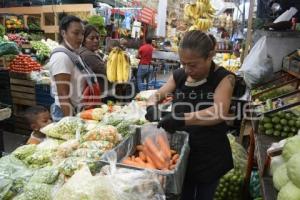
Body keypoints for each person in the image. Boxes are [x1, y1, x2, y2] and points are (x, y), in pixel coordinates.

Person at [145, 30, 235, 200]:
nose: (187, 69)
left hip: (209, 156)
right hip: (181, 154)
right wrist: (151, 106)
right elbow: (157, 94)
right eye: (183, 63)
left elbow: (219, 112)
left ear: (210, 56)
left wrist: (181, 118)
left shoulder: (224, 79)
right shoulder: (179, 75)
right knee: (181, 194)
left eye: (193, 65)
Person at [79, 24, 106, 94]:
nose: (96, 41)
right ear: (83, 40)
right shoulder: (89, 55)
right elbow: (108, 73)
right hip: (97, 95)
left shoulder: (86, 51)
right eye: (92, 38)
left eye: (97, 38)